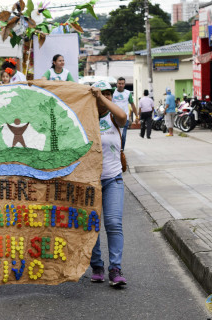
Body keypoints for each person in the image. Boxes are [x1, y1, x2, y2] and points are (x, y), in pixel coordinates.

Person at [89, 80, 128, 287]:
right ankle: (96, 265)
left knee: (113, 224)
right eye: (102, 93)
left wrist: (101, 96)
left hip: (113, 178)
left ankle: (115, 268)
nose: (106, 97)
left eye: (109, 94)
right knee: (92, 226)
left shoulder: (114, 117)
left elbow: (124, 116)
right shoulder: (84, 119)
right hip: (89, 182)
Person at [112, 77, 138, 149]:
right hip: (113, 118)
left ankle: (121, 150)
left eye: (122, 84)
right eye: (119, 83)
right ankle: (115, 149)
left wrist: (137, 116)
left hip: (124, 118)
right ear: (116, 84)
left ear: (124, 84)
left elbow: (132, 105)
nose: (121, 85)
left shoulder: (128, 93)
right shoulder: (113, 92)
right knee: (114, 135)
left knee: (123, 136)